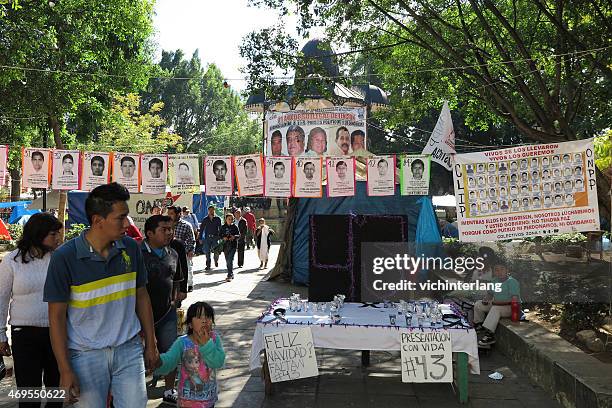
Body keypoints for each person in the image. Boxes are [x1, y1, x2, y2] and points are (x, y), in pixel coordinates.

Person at [44, 183, 157, 407]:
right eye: (121, 218)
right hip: (85, 355)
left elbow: (142, 296)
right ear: (97, 221)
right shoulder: (64, 258)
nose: (127, 224)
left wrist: (151, 344)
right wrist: (64, 369)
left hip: (129, 349)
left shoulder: (131, 249)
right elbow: (55, 318)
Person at [0, 213, 63, 408]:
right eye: (53, 235)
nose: (58, 239)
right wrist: (1, 334)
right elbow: (1, 298)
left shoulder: (60, 259)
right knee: (29, 393)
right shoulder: (12, 261)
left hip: (57, 334)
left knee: (55, 391)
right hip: (24, 334)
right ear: (38, 234)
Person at [142, 215, 186, 404]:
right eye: (164, 229)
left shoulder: (173, 254)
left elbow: (176, 280)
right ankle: (135, 391)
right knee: (140, 357)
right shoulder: (137, 253)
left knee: (170, 353)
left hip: (167, 313)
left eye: (171, 229)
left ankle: (169, 390)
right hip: (139, 317)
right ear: (150, 233)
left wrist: (176, 299)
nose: (169, 233)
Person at [154, 301, 225, 407]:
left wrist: (207, 344)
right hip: (187, 401)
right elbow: (170, 360)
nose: (204, 321)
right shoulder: (183, 342)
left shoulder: (214, 339)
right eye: (199, 317)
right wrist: (158, 362)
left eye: (208, 317)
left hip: (208, 400)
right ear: (190, 324)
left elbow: (218, 362)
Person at [473, 259, 521, 346]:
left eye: (502, 269)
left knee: (495, 309)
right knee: (478, 304)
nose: (499, 272)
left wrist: (497, 303)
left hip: (510, 307)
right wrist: (485, 300)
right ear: (494, 271)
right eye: (496, 270)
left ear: (507, 270)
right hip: (496, 304)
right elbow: (490, 294)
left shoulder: (512, 282)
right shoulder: (494, 281)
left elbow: (515, 299)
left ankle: (490, 335)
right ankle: (479, 324)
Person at [168, 206, 196, 292]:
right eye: (168, 213)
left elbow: (192, 240)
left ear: (179, 214)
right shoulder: (165, 225)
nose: (169, 216)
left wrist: (189, 250)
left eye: (171, 214)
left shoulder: (186, 226)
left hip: (183, 254)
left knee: (187, 270)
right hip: (168, 254)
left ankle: (189, 285)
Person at [199, 205, 221, 271]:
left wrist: (220, 236)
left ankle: (216, 260)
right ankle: (208, 265)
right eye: (210, 210)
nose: (211, 211)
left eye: (212, 210)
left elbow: (220, 228)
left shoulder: (217, 219)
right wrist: (200, 238)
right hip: (207, 238)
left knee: (216, 250)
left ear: (214, 210)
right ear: (208, 211)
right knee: (207, 252)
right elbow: (202, 229)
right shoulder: (205, 219)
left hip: (215, 237)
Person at [220, 214, 240, 282]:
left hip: (233, 245)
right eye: (229, 219)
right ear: (226, 219)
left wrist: (234, 237)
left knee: (230, 260)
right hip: (225, 246)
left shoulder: (235, 227)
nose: (230, 220)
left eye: (231, 219)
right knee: (227, 261)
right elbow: (219, 235)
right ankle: (231, 273)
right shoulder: (223, 227)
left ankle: (229, 275)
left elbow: (239, 235)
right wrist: (223, 237)